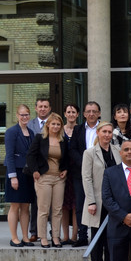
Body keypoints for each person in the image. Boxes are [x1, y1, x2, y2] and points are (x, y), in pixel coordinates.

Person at [81, 122, 121, 261]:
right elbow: (86, 177)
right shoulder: (89, 153)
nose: (107, 135)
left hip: (113, 201)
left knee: (112, 236)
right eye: (104, 131)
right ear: (98, 133)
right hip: (97, 201)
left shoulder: (117, 151)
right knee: (97, 237)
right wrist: (91, 201)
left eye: (110, 132)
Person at [26, 113, 69, 249]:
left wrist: (65, 169)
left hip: (59, 178)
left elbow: (67, 157)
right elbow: (30, 155)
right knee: (43, 209)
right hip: (43, 177)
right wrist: (35, 171)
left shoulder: (63, 140)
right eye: (53, 124)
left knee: (57, 210)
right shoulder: (40, 138)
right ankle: (43, 237)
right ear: (48, 125)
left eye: (58, 124)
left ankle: (56, 237)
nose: (55, 126)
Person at [69, 101, 102, 247]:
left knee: (99, 203)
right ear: (83, 114)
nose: (91, 114)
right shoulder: (78, 129)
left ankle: (98, 234)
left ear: (99, 113)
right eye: (88, 111)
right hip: (81, 173)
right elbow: (73, 150)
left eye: (94, 111)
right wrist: (85, 163)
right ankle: (82, 235)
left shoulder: (104, 129)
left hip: (100, 173)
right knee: (81, 204)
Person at [5, 104, 35, 247]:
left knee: (25, 207)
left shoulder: (31, 132)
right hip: (16, 173)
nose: (25, 117)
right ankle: (14, 237)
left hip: (27, 174)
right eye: (22, 115)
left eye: (27, 114)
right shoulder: (11, 132)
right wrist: (13, 177)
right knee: (15, 206)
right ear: (17, 115)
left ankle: (25, 236)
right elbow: (9, 155)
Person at [61, 104, 79, 245]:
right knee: (63, 205)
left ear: (78, 114)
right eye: (69, 112)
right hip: (61, 171)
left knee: (75, 204)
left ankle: (74, 235)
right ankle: (65, 236)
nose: (71, 114)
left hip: (77, 171)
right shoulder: (60, 130)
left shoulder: (81, 130)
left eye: (73, 112)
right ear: (65, 114)